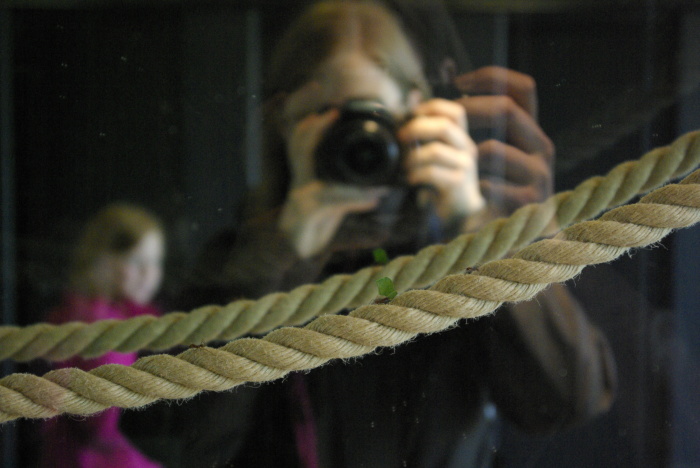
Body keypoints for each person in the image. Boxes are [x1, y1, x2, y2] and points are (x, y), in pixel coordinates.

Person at [122, 2, 616, 467]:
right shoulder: (243, 261)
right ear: (286, 123)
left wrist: (476, 225)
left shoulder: (450, 260)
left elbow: (565, 403)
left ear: (423, 116)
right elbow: (178, 436)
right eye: (334, 122)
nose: (361, 147)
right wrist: (282, 251)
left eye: (378, 121)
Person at [40, 203, 165, 468]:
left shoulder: (83, 312)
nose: (149, 274)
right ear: (105, 259)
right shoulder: (101, 326)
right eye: (136, 261)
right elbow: (99, 430)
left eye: (155, 262)